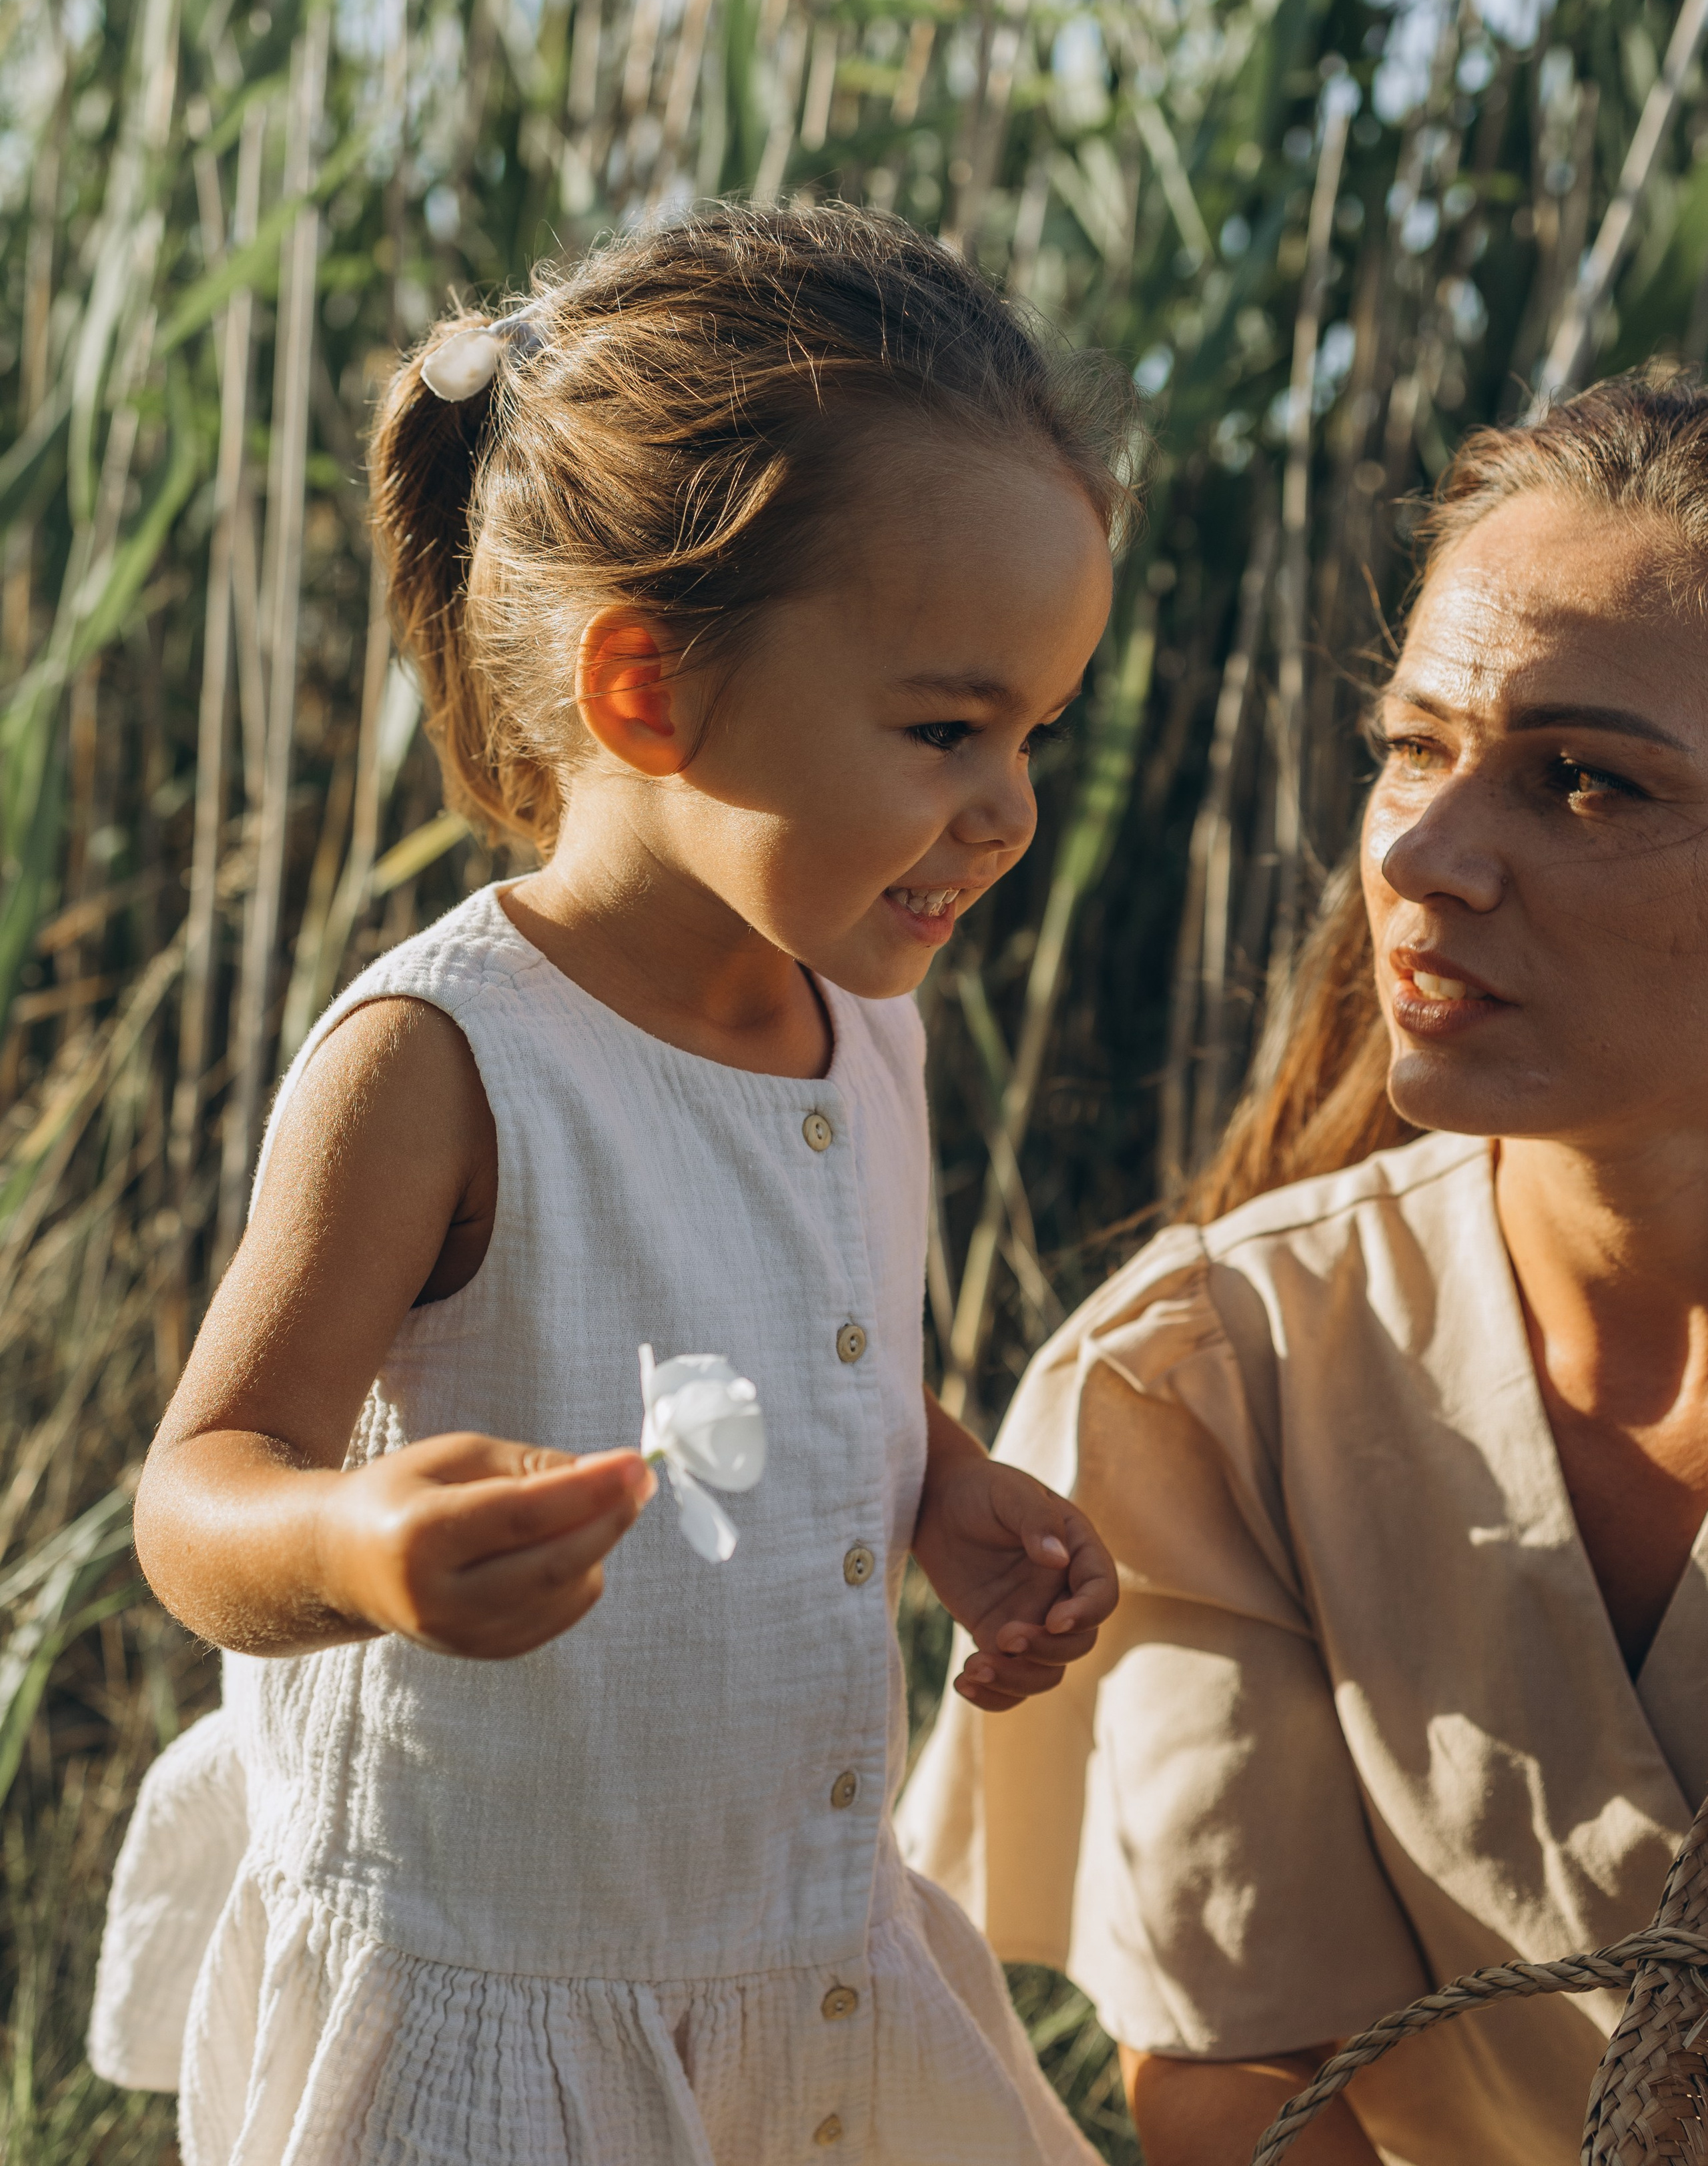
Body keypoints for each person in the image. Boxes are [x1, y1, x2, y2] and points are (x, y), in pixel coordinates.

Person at [89, 205, 1130, 2166]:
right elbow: (197, 1490)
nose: (1008, 810)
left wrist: (940, 1485)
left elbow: (790, 1337)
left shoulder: (862, 1022)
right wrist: (352, 1545)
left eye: (1035, 735)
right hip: (517, 1986)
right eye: (946, 729)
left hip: (790, 1941)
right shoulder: (446, 1061)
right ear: (646, 689)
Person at [901, 364, 1708, 2166]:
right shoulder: (1216, 1381)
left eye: (1584, 781)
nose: (1420, 857)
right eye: (1414, 747)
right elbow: (1247, 2068)